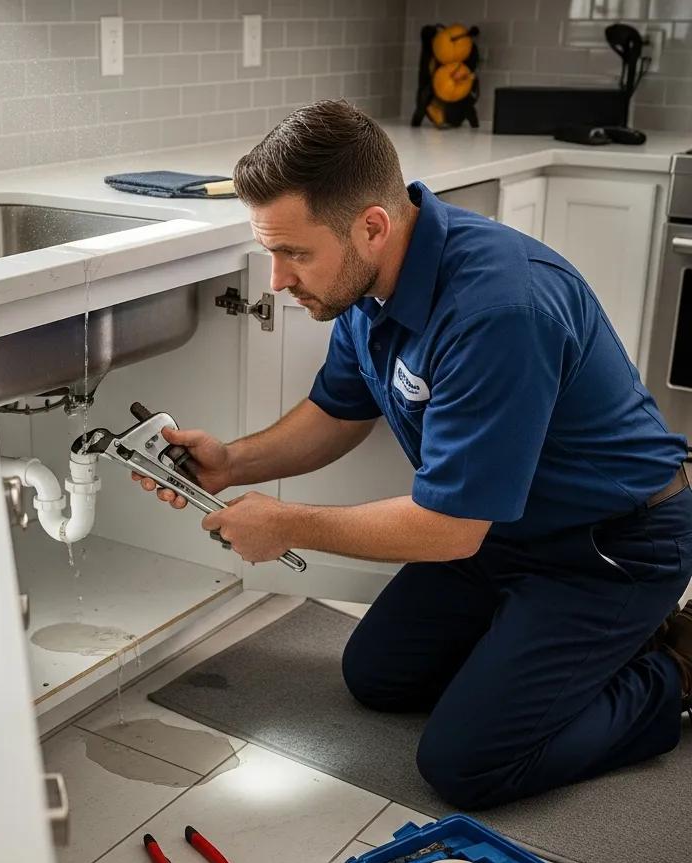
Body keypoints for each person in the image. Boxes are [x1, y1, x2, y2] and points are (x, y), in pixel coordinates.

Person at [132, 99, 692, 810]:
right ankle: (543, 653)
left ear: (371, 225)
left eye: (294, 253)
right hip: (501, 534)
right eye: (270, 251)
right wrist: (231, 463)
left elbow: (448, 530)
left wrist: (287, 524)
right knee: (378, 677)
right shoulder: (367, 282)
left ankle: (668, 671)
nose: (277, 279)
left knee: (466, 764)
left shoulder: (499, 309)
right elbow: (338, 412)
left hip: (610, 548)